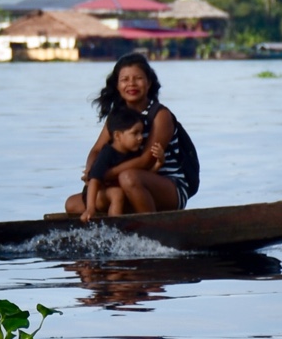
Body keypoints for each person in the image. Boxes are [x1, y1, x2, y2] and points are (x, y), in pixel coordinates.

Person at [63, 52, 199, 217]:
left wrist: (106, 174)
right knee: (73, 204)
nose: (132, 84)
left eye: (138, 78)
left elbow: (146, 160)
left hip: (168, 185)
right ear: (117, 86)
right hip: (125, 184)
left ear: (148, 83)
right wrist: (92, 171)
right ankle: (123, 227)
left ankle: (152, 230)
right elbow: (97, 150)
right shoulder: (118, 117)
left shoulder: (160, 115)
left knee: (129, 177)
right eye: (125, 80)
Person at [80, 105, 147, 221]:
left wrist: (158, 163)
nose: (140, 138)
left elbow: (144, 174)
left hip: (113, 193)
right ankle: (115, 228)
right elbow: (94, 180)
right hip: (97, 193)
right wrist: (90, 208)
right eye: (135, 133)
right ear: (117, 136)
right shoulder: (107, 153)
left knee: (119, 194)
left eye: (141, 133)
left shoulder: (135, 152)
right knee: (117, 194)